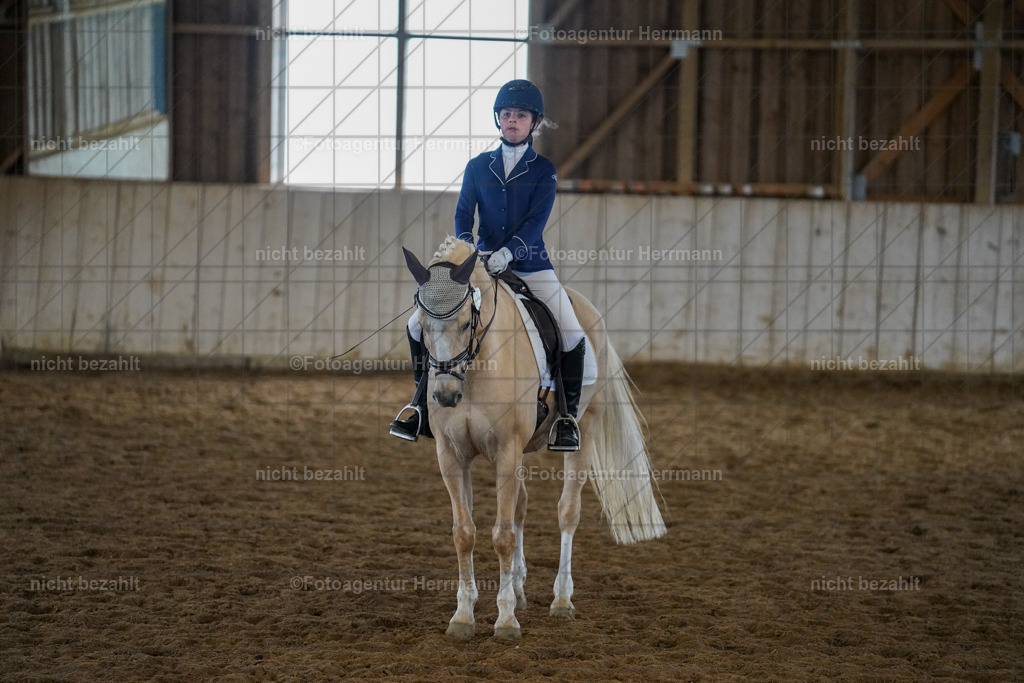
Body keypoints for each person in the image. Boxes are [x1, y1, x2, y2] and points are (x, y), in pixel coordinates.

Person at [390, 79, 586, 451]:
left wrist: (509, 252)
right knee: (416, 324)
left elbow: (536, 223)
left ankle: (566, 418)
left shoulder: (544, 170)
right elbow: (464, 212)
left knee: (572, 332)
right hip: (478, 265)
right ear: (498, 119)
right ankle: (419, 405)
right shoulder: (478, 166)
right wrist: (467, 248)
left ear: (534, 123)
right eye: (507, 114)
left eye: (521, 115)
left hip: (530, 265)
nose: (513, 120)